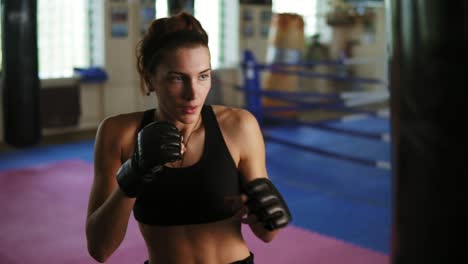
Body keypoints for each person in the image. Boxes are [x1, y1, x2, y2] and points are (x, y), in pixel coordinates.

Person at [85, 12, 291, 264]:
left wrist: (268, 214)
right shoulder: (119, 134)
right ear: (150, 78)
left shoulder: (239, 126)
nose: (193, 94)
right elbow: (99, 248)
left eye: (203, 76)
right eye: (177, 78)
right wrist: (134, 175)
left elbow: (267, 234)